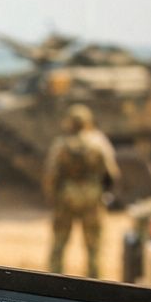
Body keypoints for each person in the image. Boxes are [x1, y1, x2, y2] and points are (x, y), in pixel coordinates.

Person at [43, 103, 119, 277]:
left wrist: (53, 198)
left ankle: (53, 281)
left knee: (59, 244)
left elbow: (51, 175)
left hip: (66, 197)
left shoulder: (61, 143)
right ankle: (95, 283)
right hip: (92, 197)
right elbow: (111, 173)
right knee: (94, 247)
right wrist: (103, 194)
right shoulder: (99, 141)